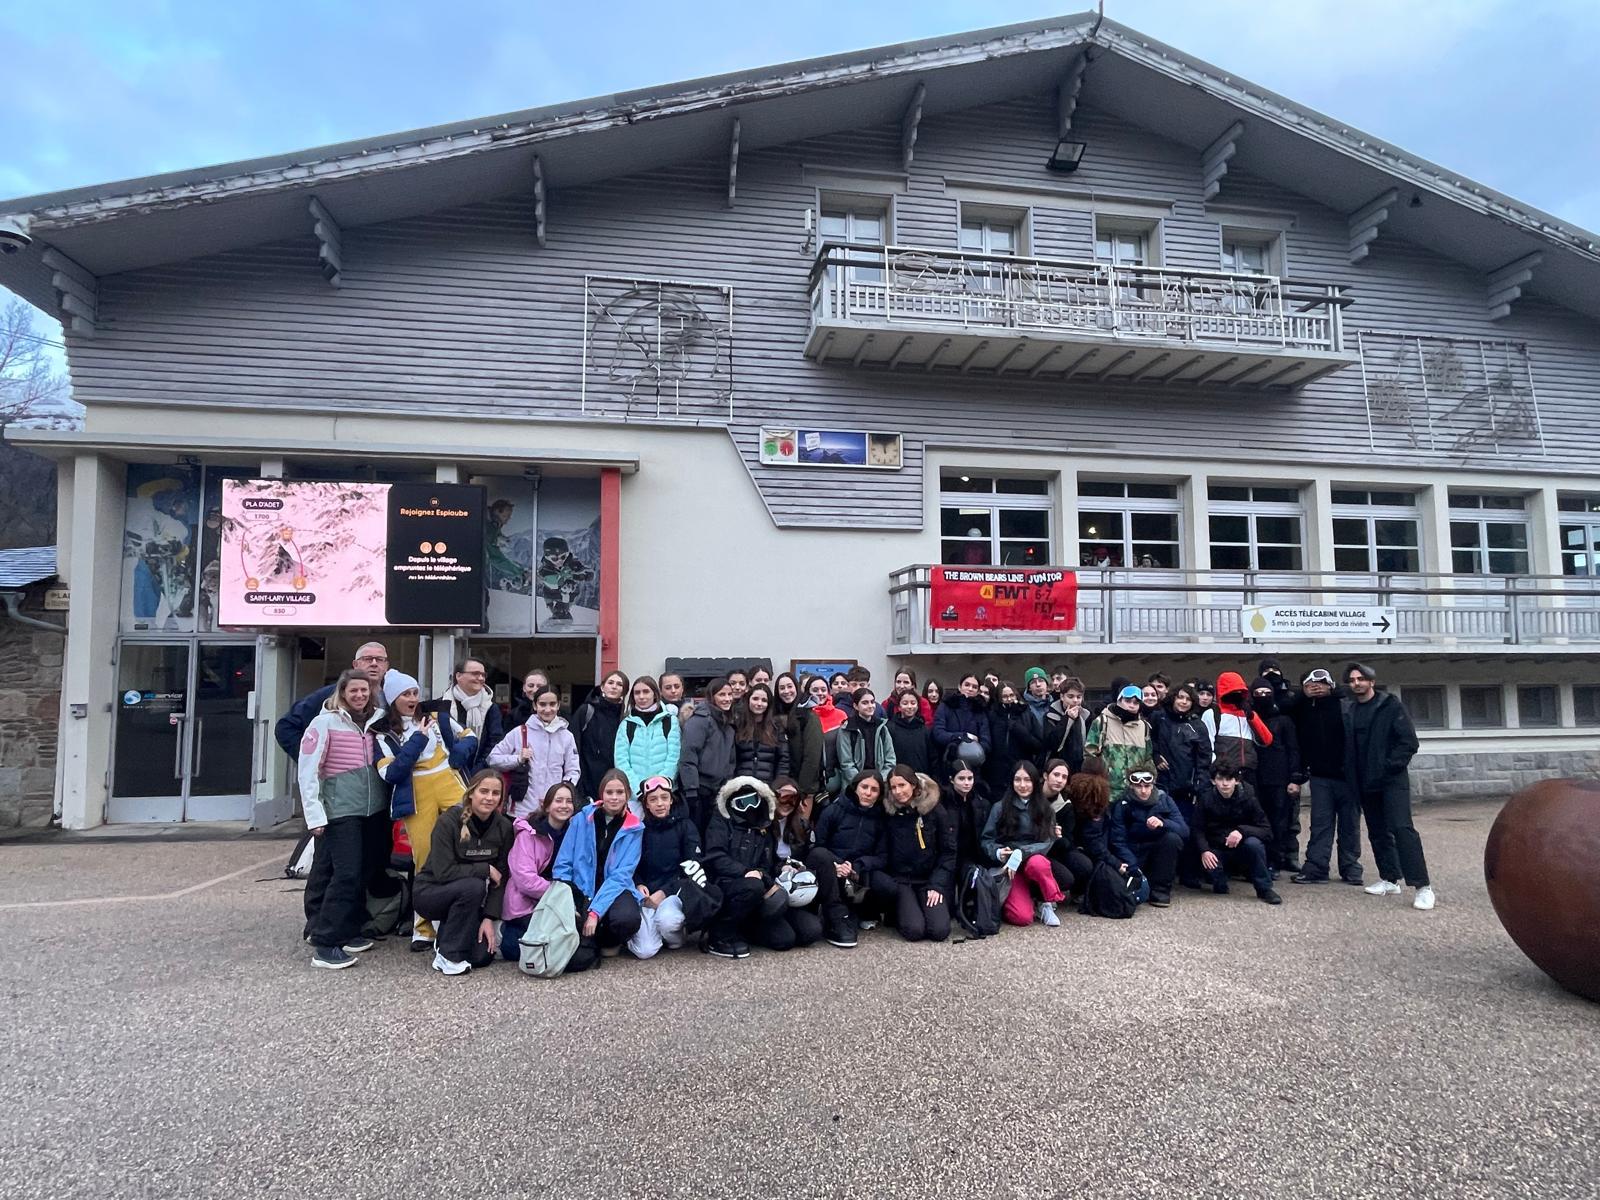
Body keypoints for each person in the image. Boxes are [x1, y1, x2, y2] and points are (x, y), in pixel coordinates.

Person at [375, 672, 479, 951]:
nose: (412, 699)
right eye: (405, 694)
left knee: (467, 844)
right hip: (415, 790)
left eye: (414, 692)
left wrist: (459, 754)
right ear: (392, 698)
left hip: (448, 780)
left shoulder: (436, 713)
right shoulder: (382, 730)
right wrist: (417, 741)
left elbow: (469, 736)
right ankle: (424, 927)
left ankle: (468, 916)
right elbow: (391, 772)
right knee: (424, 857)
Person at [297, 669, 389, 970]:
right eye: (354, 691)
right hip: (340, 811)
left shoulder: (377, 722)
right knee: (345, 874)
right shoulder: (324, 722)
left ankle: (348, 929)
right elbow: (308, 771)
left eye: (365, 690)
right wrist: (314, 816)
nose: (360, 696)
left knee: (363, 871)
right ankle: (326, 942)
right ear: (342, 692)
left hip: (371, 810)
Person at [1345, 663, 1433, 911]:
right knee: (1378, 832)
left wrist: (1388, 766)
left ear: (1372, 682)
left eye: (1361, 679)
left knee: (1402, 830)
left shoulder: (1391, 706)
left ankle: (1422, 887)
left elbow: (1408, 742)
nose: (1357, 683)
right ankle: (1389, 879)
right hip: (1365, 783)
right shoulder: (1350, 711)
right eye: (1352, 680)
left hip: (1392, 781)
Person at [412, 769, 516, 975]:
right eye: (483, 791)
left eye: (495, 793)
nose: (489, 798)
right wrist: (484, 868)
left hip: (470, 902)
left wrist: (489, 918)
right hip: (431, 893)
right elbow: (443, 872)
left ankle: (446, 936)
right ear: (471, 793)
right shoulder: (448, 821)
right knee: (474, 885)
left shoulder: (504, 827)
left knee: (481, 956)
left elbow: (501, 878)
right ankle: (448, 955)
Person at [551, 768, 645, 962]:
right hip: (582, 887)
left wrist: (595, 912)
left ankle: (608, 940)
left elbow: (622, 875)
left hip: (614, 888)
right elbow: (563, 863)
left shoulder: (634, 828)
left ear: (627, 794)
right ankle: (589, 939)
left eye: (620, 793)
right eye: (609, 792)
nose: (614, 798)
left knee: (627, 919)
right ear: (601, 794)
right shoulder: (580, 820)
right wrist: (568, 895)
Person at [702, 775, 798, 957]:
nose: (749, 808)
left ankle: (744, 930)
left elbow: (767, 863)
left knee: (785, 939)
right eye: (742, 803)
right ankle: (718, 935)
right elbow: (715, 857)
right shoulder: (720, 822)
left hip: (756, 889)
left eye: (753, 801)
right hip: (724, 885)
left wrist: (766, 875)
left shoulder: (763, 827)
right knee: (752, 886)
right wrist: (745, 872)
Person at [630, 777, 721, 959]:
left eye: (664, 798)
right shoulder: (640, 830)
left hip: (674, 892)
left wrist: (664, 891)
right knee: (644, 951)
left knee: (668, 923)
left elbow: (692, 867)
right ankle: (648, 932)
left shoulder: (686, 826)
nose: (660, 804)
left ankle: (674, 936)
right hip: (647, 895)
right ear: (646, 804)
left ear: (671, 800)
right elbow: (632, 865)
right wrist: (639, 884)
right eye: (653, 799)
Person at [1291, 668, 1363, 886]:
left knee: (1350, 825)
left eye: (1322, 683)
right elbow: (1286, 707)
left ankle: (1351, 868)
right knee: (1320, 824)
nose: (1317, 687)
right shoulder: (1302, 708)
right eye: (1312, 684)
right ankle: (1317, 867)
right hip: (1320, 777)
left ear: (1331, 685)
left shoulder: (1346, 705)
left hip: (1348, 777)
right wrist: (1303, 695)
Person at [873, 766, 956, 942]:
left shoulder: (934, 810)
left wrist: (937, 884)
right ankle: (899, 911)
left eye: (902, 785)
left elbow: (948, 852)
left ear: (913, 784)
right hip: (902, 879)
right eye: (893, 787)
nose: (898, 791)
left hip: (929, 879)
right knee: (914, 931)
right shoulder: (889, 813)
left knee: (939, 931)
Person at [498, 780, 576, 961]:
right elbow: (525, 880)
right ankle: (505, 932)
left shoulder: (573, 832)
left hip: (559, 901)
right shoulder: (528, 834)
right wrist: (560, 895)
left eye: (569, 801)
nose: (564, 805)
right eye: (558, 800)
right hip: (528, 904)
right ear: (547, 806)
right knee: (523, 950)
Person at [982, 761, 1066, 927]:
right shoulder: (999, 808)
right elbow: (986, 840)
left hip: (1033, 860)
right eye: (1017, 780)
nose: (1022, 785)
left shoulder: (1045, 808)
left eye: (1027, 780)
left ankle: (1046, 902)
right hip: (1010, 869)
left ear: (1035, 782)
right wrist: (998, 852)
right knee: (1022, 918)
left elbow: (1048, 840)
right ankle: (1022, 900)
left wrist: (1020, 853)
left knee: (1039, 864)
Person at [809, 772, 888, 947]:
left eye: (874, 789)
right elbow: (818, 847)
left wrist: (858, 865)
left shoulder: (880, 818)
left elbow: (882, 857)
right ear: (855, 787)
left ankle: (863, 912)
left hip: (858, 872)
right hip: (831, 868)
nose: (868, 793)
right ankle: (836, 917)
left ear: (880, 794)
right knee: (820, 855)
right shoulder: (833, 810)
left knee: (887, 886)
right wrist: (836, 864)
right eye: (864, 787)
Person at [275, 640, 391, 760]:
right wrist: (312, 759)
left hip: (380, 773)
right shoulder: (330, 694)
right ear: (355, 664)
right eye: (367, 659)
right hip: (339, 774)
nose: (374, 663)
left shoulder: (393, 697)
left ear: (386, 666)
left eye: (379, 659)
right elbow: (285, 727)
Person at [1150, 683, 1212, 887]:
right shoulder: (1159, 718)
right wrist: (1156, 755)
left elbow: (1203, 758)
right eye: (1180, 697)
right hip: (1163, 784)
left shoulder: (1197, 725)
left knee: (1188, 830)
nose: (1184, 702)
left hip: (1187, 787)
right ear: (1173, 698)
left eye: (1188, 699)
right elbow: (1150, 742)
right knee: (1162, 830)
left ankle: (1188, 873)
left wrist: (1200, 786)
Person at [487, 685, 579, 819]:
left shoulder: (567, 736)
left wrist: (560, 794)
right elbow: (492, 759)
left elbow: (573, 770)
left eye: (552, 704)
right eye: (542, 704)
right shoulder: (519, 732)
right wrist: (517, 759)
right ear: (535, 706)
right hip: (521, 811)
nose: (547, 709)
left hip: (553, 811)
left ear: (559, 705)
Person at [1194, 762, 1281, 905]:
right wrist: (1205, 851)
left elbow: (1267, 831)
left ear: (1237, 780)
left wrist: (1242, 831)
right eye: (1220, 779)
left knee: (1254, 844)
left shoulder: (1248, 797)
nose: (1225, 784)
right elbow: (1197, 829)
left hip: (1242, 848)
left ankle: (1264, 889)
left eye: (1229, 779)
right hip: (1217, 848)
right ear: (1213, 781)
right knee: (1219, 885)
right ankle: (1220, 878)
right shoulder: (1206, 799)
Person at [1117, 762, 1188, 907]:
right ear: (1131, 786)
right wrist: (1133, 866)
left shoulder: (1165, 799)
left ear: (1153, 784)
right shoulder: (1123, 804)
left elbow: (1184, 831)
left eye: (1147, 786)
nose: (1143, 791)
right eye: (1139, 786)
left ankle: (1160, 891)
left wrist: (1163, 823)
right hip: (1133, 855)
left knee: (1172, 839)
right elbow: (1117, 840)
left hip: (1158, 856)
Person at [1250, 675, 1303, 873]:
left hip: (1279, 779)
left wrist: (1294, 778)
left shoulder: (1284, 720)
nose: (1262, 697)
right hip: (1255, 778)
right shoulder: (1249, 719)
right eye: (1258, 694)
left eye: (1266, 693)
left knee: (1279, 822)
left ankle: (1276, 860)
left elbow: (1293, 750)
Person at [1059, 763, 1130, 896]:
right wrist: (1115, 863)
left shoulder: (1072, 793)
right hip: (1081, 852)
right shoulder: (1096, 799)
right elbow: (1094, 842)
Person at [679, 677, 738, 833]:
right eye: (722, 695)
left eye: (729, 694)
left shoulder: (728, 723)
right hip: (700, 789)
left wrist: (728, 784)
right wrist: (691, 789)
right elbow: (688, 756)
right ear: (712, 697)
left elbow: (731, 760)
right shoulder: (700, 720)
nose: (727, 699)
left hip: (719, 790)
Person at [613, 675, 681, 802]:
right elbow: (621, 760)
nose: (641, 696)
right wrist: (638, 789)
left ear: (655, 694)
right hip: (635, 796)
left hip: (664, 795)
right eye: (637, 693)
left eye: (646, 692)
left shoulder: (670, 721)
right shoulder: (626, 724)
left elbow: (674, 757)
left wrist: (660, 787)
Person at [571, 671, 628, 802]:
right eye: (610, 682)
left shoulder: (625, 718)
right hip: (586, 780)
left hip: (613, 783)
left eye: (619, 684)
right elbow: (574, 746)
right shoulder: (586, 711)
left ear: (624, 691)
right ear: (602, 687)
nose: (614, 687)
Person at [1211, 671, 1272, 784]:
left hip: (1248, 771)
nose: (1236, 695)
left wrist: (1252, 717)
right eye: (1233, 692)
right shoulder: (1214, 713)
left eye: (1240, 692)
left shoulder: (1248, 713)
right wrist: (1215, 768)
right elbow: (1207, 745)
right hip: (1225, 772)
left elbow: (1266, 739)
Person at [1084, 684, 1153, 784]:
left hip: (1135, 789)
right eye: (1128, 701)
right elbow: (1090, 754)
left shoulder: (1144, 727)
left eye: (1136, 702)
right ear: (1119, 700)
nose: (1132, 705)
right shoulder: (1102, 722)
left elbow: (1148, 759)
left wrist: (1148, 782)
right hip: (1107, 788)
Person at [443, 657, 503, 770]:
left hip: (480, 773)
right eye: (475, 674)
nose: (480, 678)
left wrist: (478, 770)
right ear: (458, 676)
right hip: (447, 772)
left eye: (483, 675)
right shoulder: (442, 706)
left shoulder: (491, 708)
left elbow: (495, 742)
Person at [986, 680, 1043, 797]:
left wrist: (1018, 729)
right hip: (997, 773)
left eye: (1011, 695)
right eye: (1005, 696)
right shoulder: (992, 715)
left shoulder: (1026, 713)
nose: (1009, 699)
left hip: (1021, 768)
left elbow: (1038, 745)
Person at [774, 673, 825, 799]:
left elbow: (812, 756)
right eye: (782, 688)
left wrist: (802, 790)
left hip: (803, 787)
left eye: (789, 686)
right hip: (779, 785)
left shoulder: (808, 716)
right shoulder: (773, 716)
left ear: (796, 688)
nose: (786, 691)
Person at [932, 673, 991, 780]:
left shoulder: (981, 711)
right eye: (967, 685)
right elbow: (938, 733)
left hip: (973, 768)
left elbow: (986, 741)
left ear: (978, 691)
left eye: (974, 687)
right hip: (948, 764)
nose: (970, 689)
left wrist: (974, 750)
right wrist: (963, 736)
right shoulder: (946, 706)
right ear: (960, 686)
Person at [836, 687, 896, 791]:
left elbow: (890, 760)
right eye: (865, 703)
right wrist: (861, 783)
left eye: (872, 702)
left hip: (879, 784)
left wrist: (879, 780)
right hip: (854, 785)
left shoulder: (882, 727)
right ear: (855, 706)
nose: (870, 706)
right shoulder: (847, 728)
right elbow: (846, 763)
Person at [733, 682, 792, 783]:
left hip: (767, 786)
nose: (759, 703)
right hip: (740, 784)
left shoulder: (776, 727)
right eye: (755, 699)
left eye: (764, 700)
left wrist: (779, 784)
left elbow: (784, 759)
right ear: (748, 700)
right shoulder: (738, 725)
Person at [943, 762, 992, 873]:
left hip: (974, 858)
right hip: (951, 859)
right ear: (951, 780)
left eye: (970, 778)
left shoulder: (981, 803)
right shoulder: (943, 804)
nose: (967, 783)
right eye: (961, 779)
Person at [1039, 676, 1090, 773]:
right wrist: (1067, 719)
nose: (1075, 700)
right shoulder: (1050, 716)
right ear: (1062, 697)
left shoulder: (1086, 715)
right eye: (1070, 696)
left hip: (1080, 767)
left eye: (1078, 697)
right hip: (1057, 766)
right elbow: (1052, 744)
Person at [886, 689, 935, 776]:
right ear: (899, 707)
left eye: (913, 703)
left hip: (921, 776)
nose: (909, 706)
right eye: (905, 703)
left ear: (917, 706)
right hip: (898, 777)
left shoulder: (925, 730)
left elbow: (933, 757)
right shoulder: (890, 728)